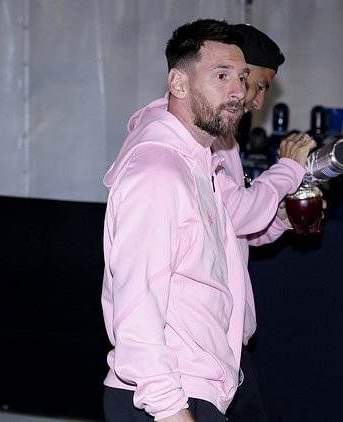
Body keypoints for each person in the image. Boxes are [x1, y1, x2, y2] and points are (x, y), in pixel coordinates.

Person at [101, 19, 254, 422]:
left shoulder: (200, 166)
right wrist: (172, 410)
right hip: (165, 400)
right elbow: (136, 306)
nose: (238, 91)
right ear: (179, 84)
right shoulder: (159, 172)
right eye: (221, 75)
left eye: (241, 77)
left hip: (193, 391)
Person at [211, 24, 317, 421]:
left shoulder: (226, 142)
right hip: (199, 341)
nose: (257, 101)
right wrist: (288, 167)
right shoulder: (190, 143)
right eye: (257, 85)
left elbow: (234, 226)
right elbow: (238, 213)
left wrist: (282, 218)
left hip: (227, 338)